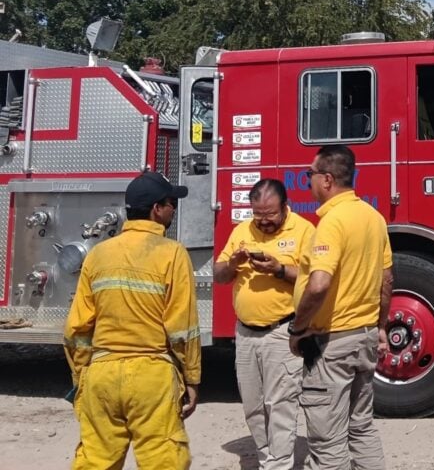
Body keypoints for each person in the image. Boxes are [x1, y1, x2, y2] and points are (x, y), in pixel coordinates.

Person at [63, 171, 199, 470]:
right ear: (156, 209)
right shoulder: (173, 254)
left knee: (95, 461)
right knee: (162, 460)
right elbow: (182, 328)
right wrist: (192, 378)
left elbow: (76, 330)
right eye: (170, 203)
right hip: (151, 376)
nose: (173, 209)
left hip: (101, 375)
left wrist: (82, 377)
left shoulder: (98, 255)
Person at [289, 145, 394, 470]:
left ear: (327, 179)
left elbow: (319, 284)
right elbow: (386, 280)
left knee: (327, 442)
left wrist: (298, 327)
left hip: (332, 344)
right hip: (363, 340)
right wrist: (379, 326)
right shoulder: (374, 218)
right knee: (361, 428)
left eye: (310, 174)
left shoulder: (332, 223)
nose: (307, 181)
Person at [213, 179, 315, 470]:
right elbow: (220, 275)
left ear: (285, 206)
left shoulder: (304, 230)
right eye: (258, 214)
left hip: (281, 333)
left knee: (281, 406)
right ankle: (268, 458)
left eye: (270, 214)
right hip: (245, 334)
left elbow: (315, 278)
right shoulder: (242, 230)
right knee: (254, 408)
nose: (264, 221)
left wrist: (279, 269)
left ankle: (278, 465)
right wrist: (233, 264)